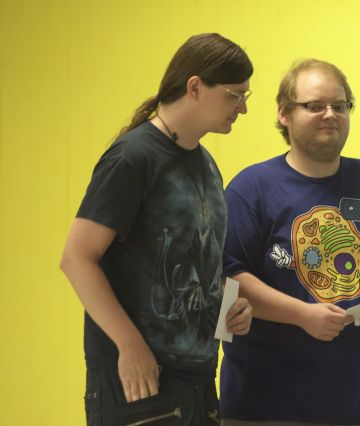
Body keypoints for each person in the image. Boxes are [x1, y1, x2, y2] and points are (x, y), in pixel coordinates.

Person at [220, 59, 360, 425]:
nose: (330, 115)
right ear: (284, 114)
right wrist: (302, 315)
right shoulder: (251, 189)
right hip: (267, 408)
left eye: (340, 105)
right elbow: (228, 278)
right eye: (314, 106)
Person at [60, 33, 254, 426]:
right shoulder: (133, 158)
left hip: (199, 382)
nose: (243, 108)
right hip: (139, 386)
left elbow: (198, 266)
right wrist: (129, 344)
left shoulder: (207, 166)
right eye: (235, 95)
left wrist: (232, 307)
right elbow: (77, 259)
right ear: (195, 87)